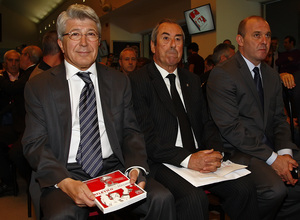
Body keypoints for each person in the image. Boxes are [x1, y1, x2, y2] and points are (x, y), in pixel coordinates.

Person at [22, 4, 175, 220]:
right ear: (61, 44)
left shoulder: (118, 81)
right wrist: (65, 183)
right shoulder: (40, 86)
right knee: (62, 215)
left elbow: (131, 132)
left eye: (91, 34)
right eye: (75, 34)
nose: (84, 42)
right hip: (65, 171)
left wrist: (135, 166)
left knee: (161, 198)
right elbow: (34, 144)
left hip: (114, 168)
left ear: (99, 42)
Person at [129, 18, 259, 220]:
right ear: (153, 45)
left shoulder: (191, 79)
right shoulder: (138, 81)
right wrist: (189, 159)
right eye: (166, 38)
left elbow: (207, 122)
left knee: (245, 187)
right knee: (194, 199)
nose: (173, 45)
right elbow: (146, 139)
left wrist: (216, 153)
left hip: (200, 157)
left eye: (178, 39)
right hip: (163, 160)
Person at [207, 16, 300, 220]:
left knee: (294, 183)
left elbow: (278, 119)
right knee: (274, 190)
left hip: (270, 147)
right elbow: (231, 129)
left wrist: (285, 153)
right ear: (240, 40)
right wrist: (275, 159)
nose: (264, 41)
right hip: (238, 152)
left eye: (267, 35)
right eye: (257, 35)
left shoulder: (271, 74)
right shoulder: (223, 74)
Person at [0, 50, 31, 196]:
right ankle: (9, 182)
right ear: (5, 62)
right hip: (5, 122)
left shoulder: (26, 77)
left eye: (16, 61)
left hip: (23, 124)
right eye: (10, 61)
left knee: (18, 151)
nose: (13, 64)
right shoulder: (1, 78)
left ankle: (29, 180)